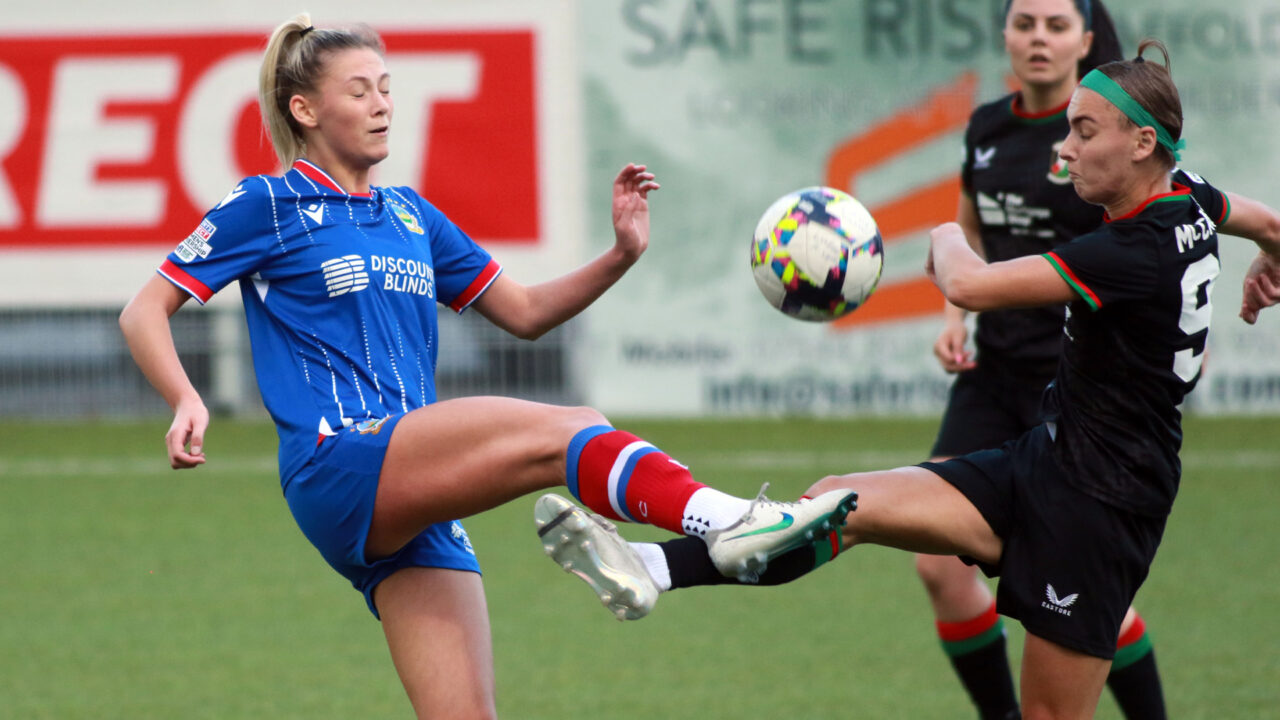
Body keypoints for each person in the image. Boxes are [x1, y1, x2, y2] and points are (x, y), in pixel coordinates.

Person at [117, 14, 857, 719]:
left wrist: (622, 255)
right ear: (305, 110)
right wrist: (185, 397)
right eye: (359, 91)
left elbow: (526, 313)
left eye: (386, 87)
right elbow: (143, 310)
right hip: (338, 458)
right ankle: (730, 522)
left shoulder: (411, 214)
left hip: (412, 484)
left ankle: (679, 550)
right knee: (569, 431)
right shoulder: (267, 203)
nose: (382, 106)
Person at [535, 39, 1280, 720]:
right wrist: (1269, 257)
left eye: (1085, 131)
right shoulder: (1190, 193)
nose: (1067, 147)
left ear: (1142, 143)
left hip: (1101, 509)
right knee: (832, 504)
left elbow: (972, 286)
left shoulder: (1132, 251)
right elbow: (1266, 221)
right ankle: (649, 567)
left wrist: (946, 231)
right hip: (1045, 462)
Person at [921, 2, 1164, 718]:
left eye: (1056, 25)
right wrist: (952, 312)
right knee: (937, 563)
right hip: (993, 377)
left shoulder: (1106, 143)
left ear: (1085, 41)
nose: (1038, 38)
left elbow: (1156, 236)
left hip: (1077, 387)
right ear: (1005, 34)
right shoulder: (988, 126)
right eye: (1024, 22)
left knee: (1087, 598)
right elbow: (970, 221)